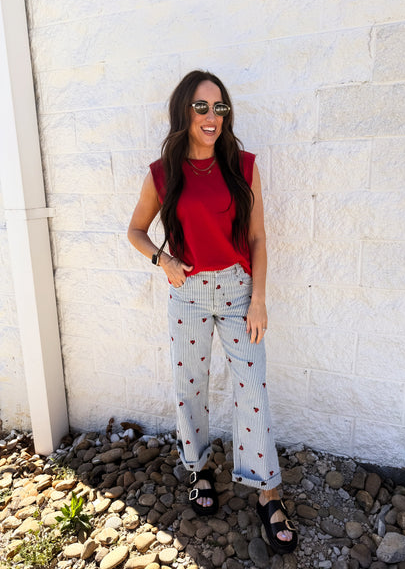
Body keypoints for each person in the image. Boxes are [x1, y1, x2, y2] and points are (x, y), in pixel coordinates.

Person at [128, 70, 297, 555]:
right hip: (188, 293)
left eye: (219, 107)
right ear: (184, 111)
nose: (211, 116)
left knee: (253, 390)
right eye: (201, 107)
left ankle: (268, 493)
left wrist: (259, 298)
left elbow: (258, 237)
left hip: (239, 291)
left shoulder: (242, 166)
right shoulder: (163, 174)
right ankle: (199, 470)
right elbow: (135, 231)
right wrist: (164, 261)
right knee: (190, 387)